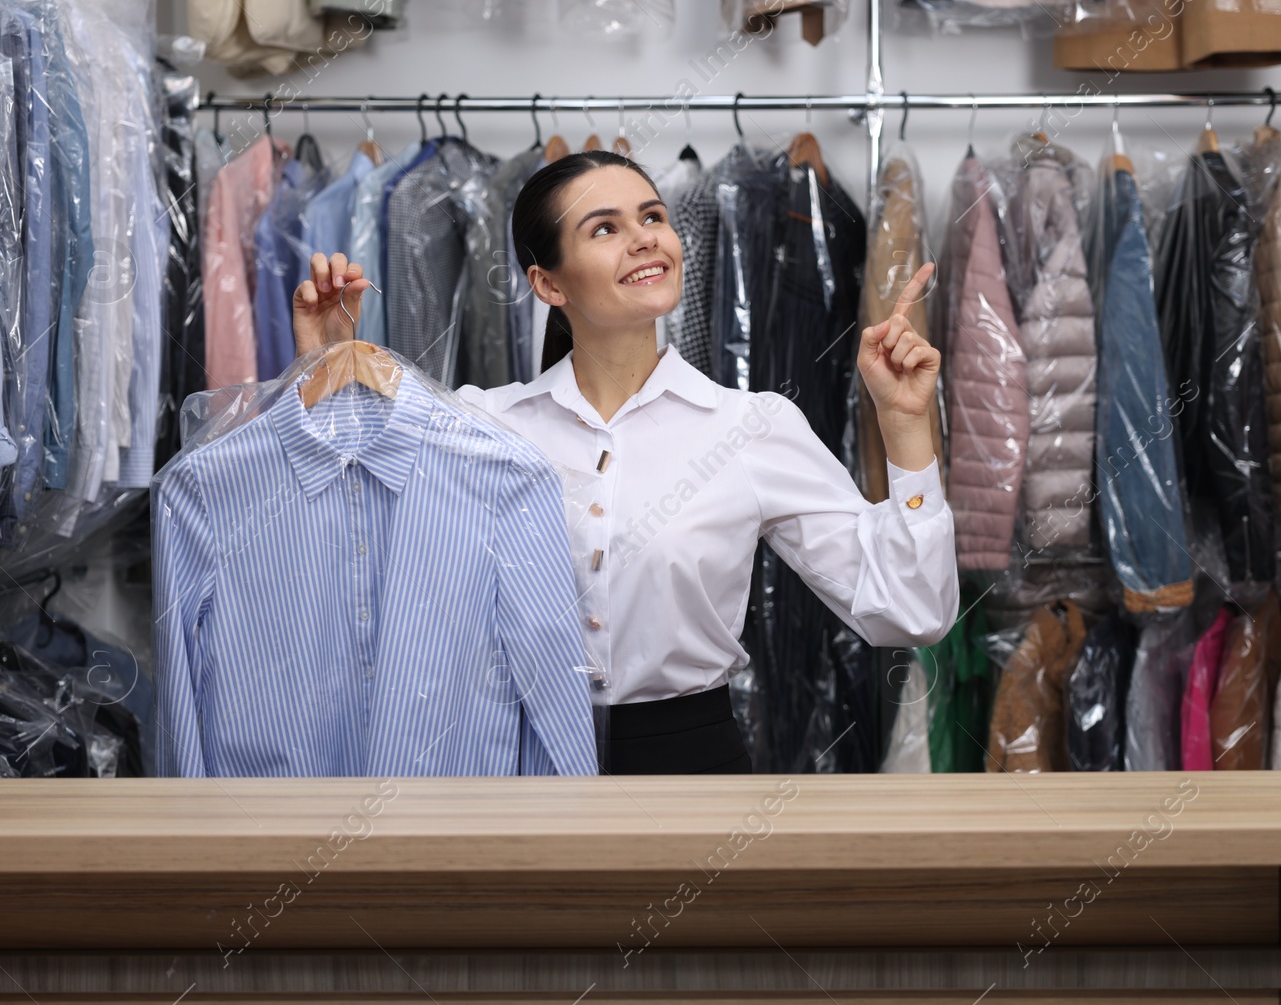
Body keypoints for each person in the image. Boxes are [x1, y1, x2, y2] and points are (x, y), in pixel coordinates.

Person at [293, 149, 958, 775]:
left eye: (652, 217)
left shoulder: (751, 428)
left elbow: (910, 611)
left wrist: (904, 424)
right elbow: (342, 554)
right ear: (547, 283)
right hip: (517, 760)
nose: (644, 238)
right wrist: (323, 369)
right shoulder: (480, 424)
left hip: (692, 764)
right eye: (604, 227)